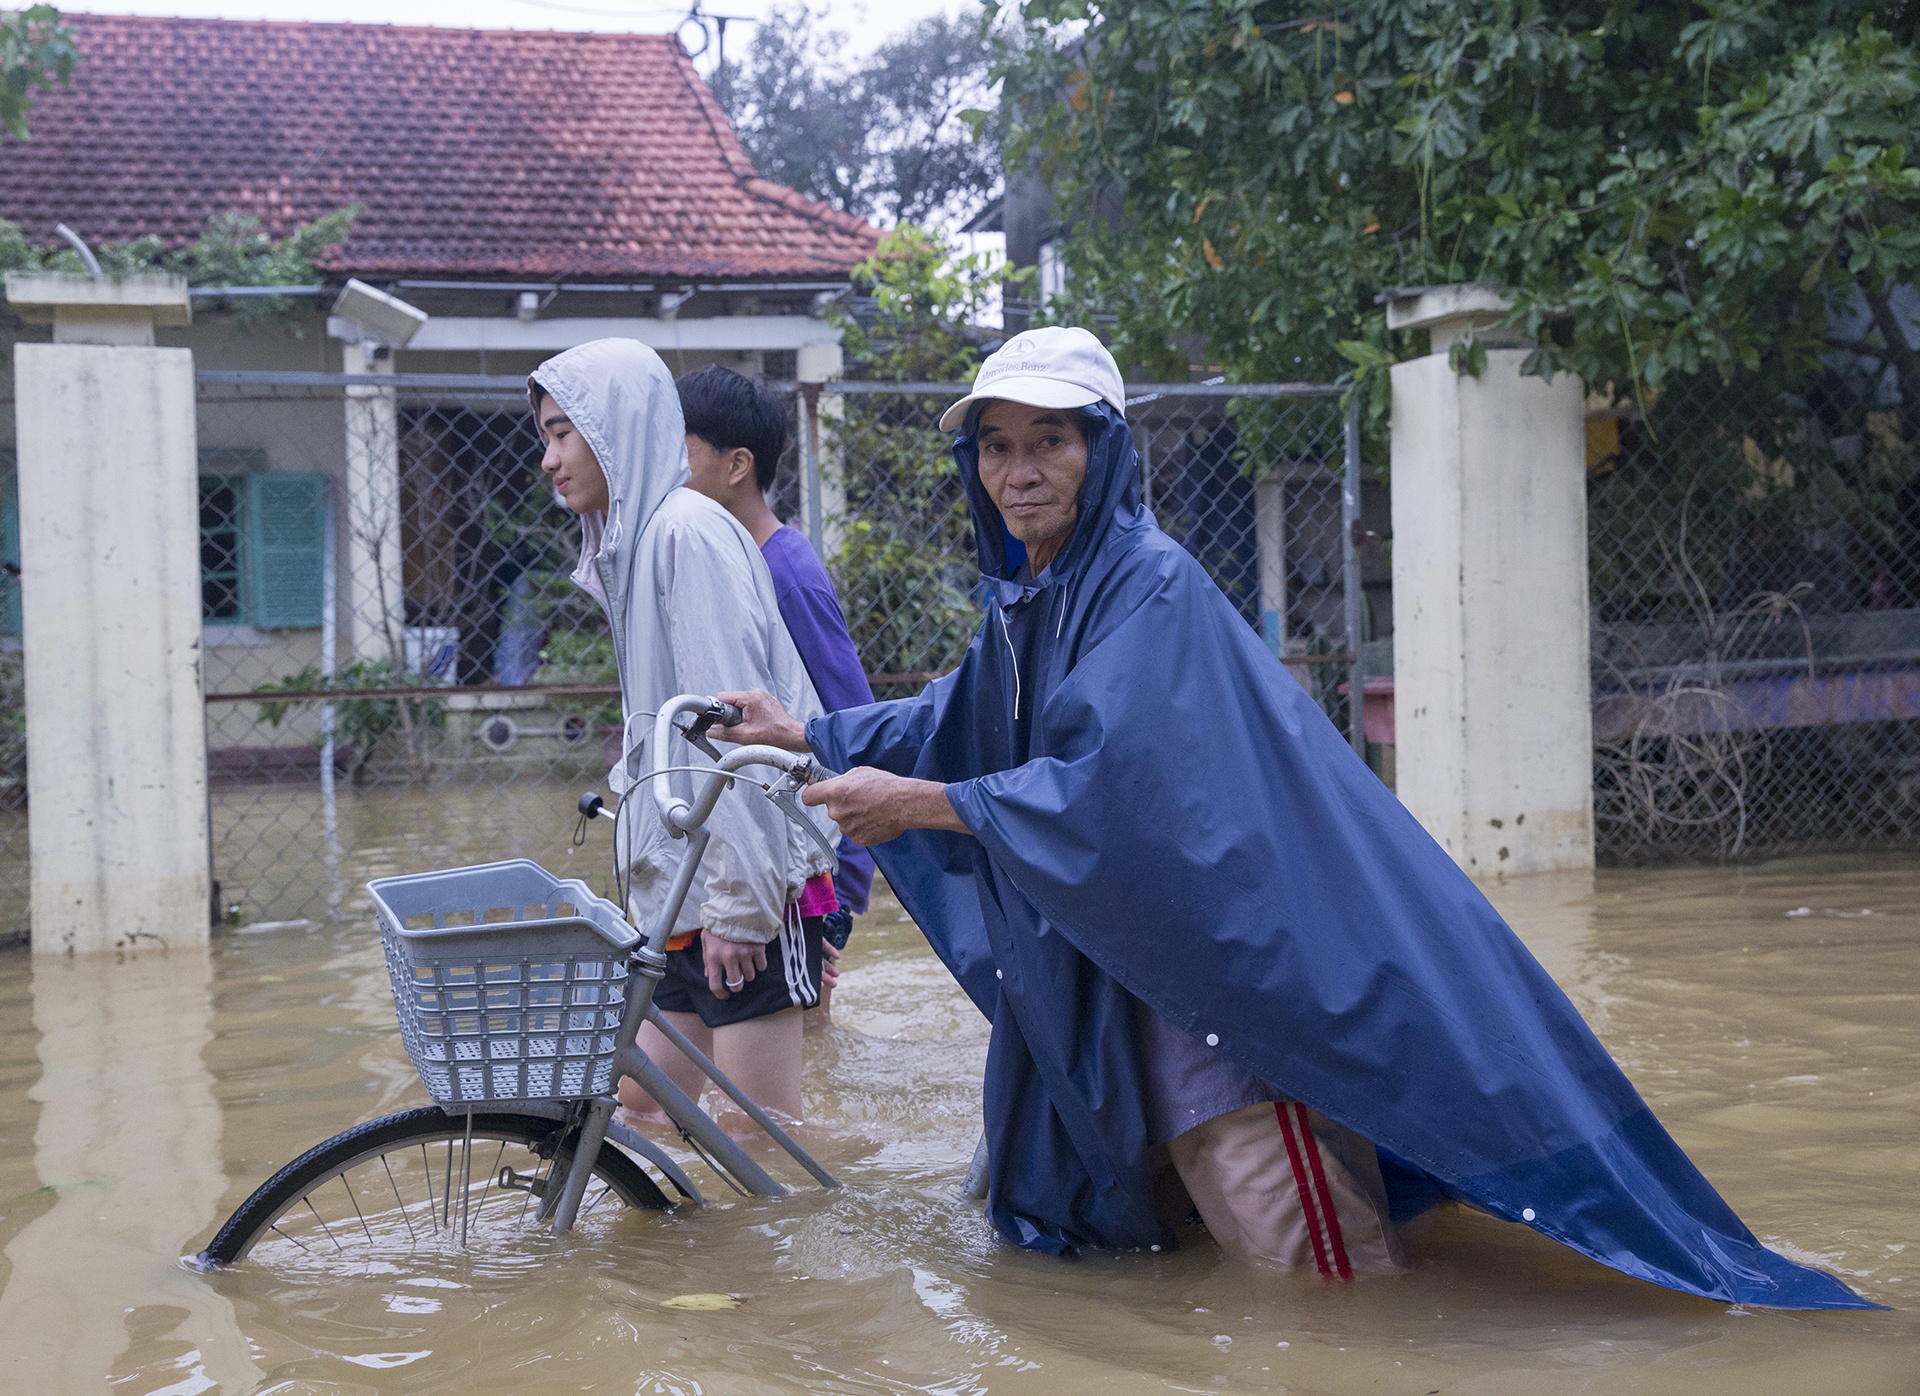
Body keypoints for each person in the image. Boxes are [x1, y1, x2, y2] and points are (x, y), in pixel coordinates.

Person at [711, 327, 1871, 1307]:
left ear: (1103, 451)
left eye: (1049, 441)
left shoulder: (1145, 585)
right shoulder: (1033, 598)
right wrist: (807, 730)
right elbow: (962, 721)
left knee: (1315, 1272)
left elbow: (1117, 787)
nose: (1020, 470)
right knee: (1196, 1248)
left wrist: (923, 805)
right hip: (1135, 959)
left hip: (1227, 981)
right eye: (999, 447)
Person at [529, 339, 841, 1123]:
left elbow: (731, 728)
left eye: (564, 433)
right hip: (683, 888)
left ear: (616, 427)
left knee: (764, 1135)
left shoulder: (684, 535)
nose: (549, 459)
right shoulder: (632, 545)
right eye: (545, 437)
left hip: (739, 888)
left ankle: (880, 1198)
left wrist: (737, 909)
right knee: (640, 1111)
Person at [677, 365, 878, 1020]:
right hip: (774, 848)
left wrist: (839, 885)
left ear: (738, 465)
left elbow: (849, 717)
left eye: (680, 448)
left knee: (802, 1051)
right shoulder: (721, 559)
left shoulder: (785, 570)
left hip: (812, 860)